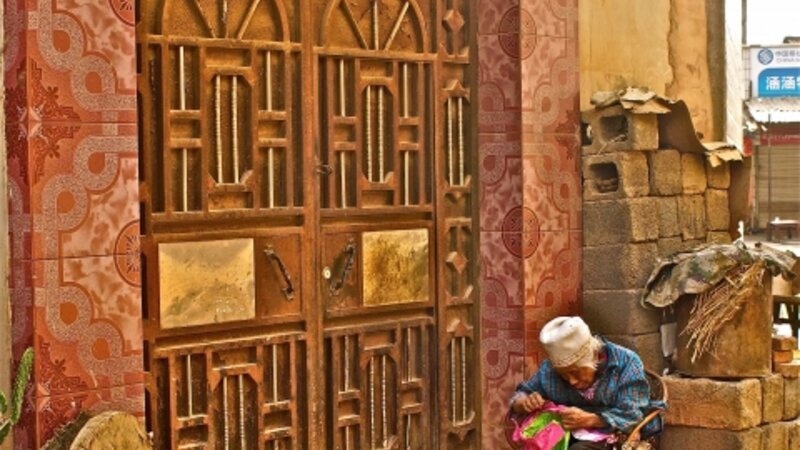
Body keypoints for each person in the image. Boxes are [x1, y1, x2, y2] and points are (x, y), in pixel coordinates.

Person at [509, 316, 664, 450]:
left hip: (615, 436)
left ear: (594, 357)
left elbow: (633, 414)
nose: (571, 380)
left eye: (575, 372)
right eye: (564, 375)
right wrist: (524, 402)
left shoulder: (625, 362)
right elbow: (522, 393)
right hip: (566, 436)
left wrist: (592, 419)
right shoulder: (549, 370)